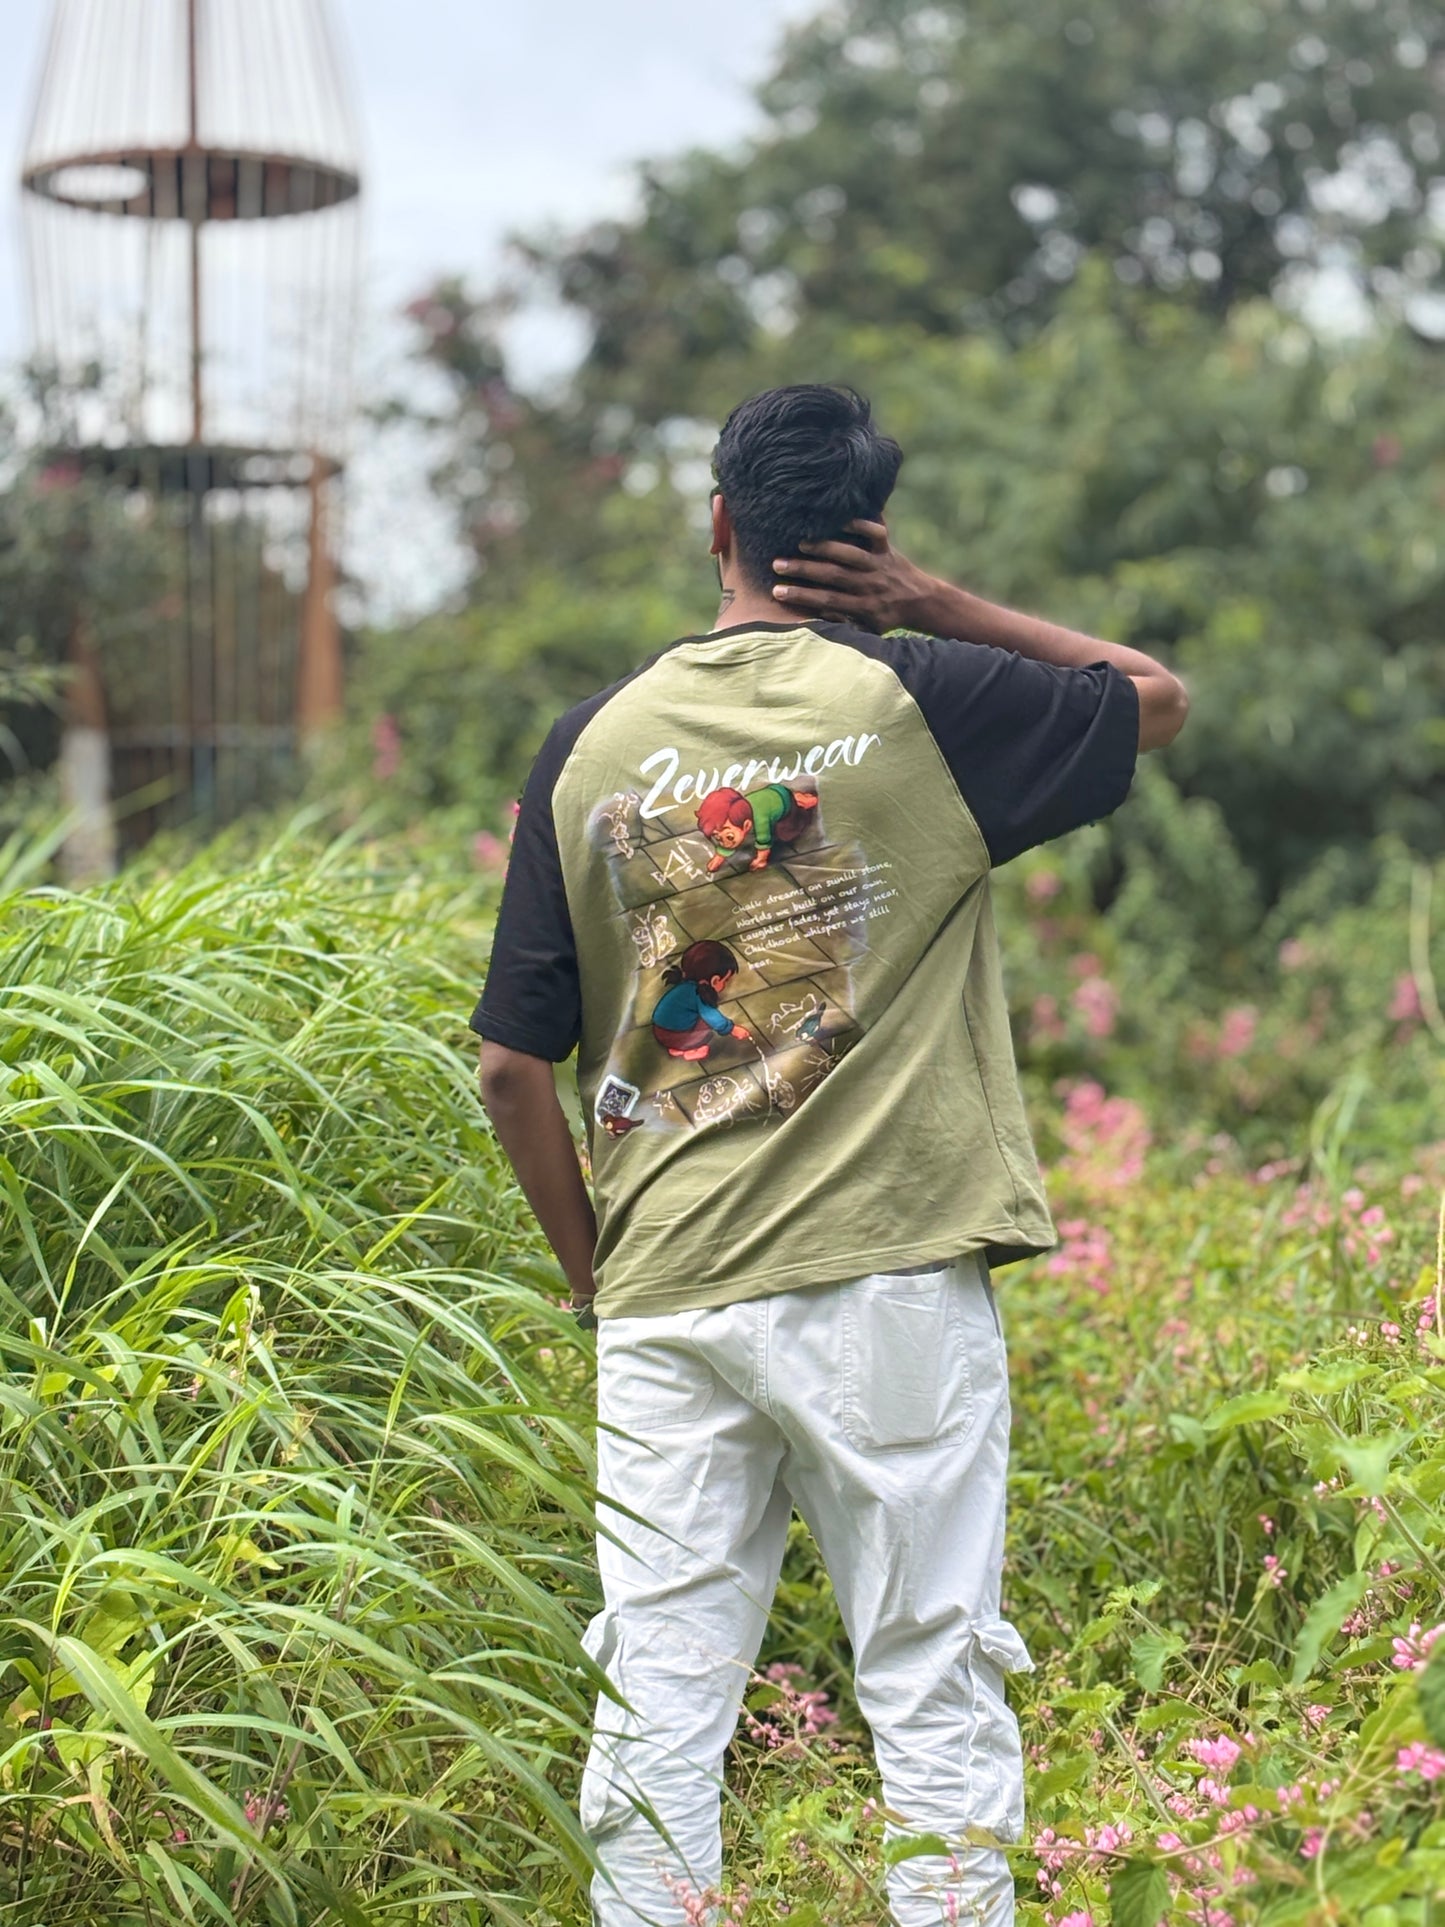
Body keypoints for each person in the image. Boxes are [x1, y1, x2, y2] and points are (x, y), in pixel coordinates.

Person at [473, 384, 1188, 1926]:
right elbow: (1152, 695)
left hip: (665, 1294)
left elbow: (508, 1068)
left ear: (717, 524)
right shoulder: (926, 697)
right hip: (888, 1279)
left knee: (657, 1695)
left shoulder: (588, 746)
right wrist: (933, 602)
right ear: (865, 532)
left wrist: (597, 1281)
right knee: (931, 1672)